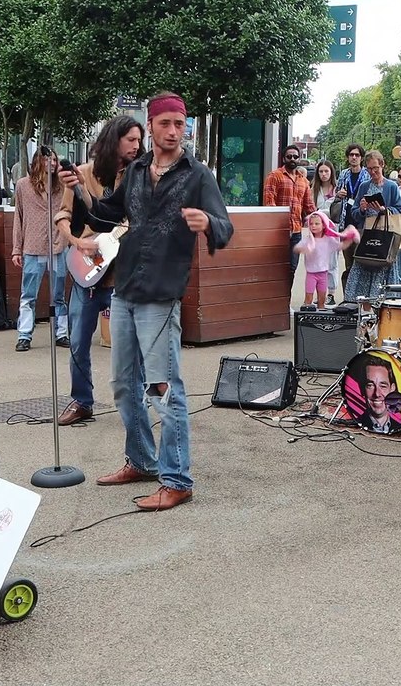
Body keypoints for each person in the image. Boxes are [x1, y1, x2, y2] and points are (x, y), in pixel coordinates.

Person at [65, 91, 234, 512]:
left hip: (161, 295)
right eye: (166, 124)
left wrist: (206, 221)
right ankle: (141, 460)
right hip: (124, 291)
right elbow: (107, 215)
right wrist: (79, 196)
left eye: (180, 124)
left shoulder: (198, 176)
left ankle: (177, 479)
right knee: (123, 386)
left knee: (163, 388)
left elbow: (225, 228)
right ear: (153, 125)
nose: (174, 131)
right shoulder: (137, 170)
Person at [53, 115, 145, 427]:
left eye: (138, 140)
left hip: (124, 274)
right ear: (113, 140)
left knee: (129, 342)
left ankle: (136, 401)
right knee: (78, 340)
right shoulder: (84, 174)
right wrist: (77, 241)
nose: (136, 146)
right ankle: (81, 401)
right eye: (130, 139)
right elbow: (63, 214)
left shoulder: (140, 175)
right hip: (88, 271)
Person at [11, 148, 70, 352]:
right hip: (33, 246)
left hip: (58, 245)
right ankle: (24, 335)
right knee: (28, 294)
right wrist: (16, 249)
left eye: (54, 159)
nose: (52, 163)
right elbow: (18, 218)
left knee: (59, 294)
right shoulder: (23, 186)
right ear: (38, 161)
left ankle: (61, 333)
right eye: (47, 159)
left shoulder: (62, 186)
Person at [343, 150, 401, 303]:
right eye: (369, 169)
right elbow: (355, 213)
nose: (373, 172)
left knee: (384, 273)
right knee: (361, 272)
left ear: (382, 165)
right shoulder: (364, 186)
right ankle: (363, 309)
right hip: (368, 236)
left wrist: (384, 210)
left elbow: (399, 209)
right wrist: (362, 208)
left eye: (375, 168)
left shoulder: (391, 186)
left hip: (385, 237)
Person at [263, 143, 315, 291]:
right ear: (284, 158)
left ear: (299, 159)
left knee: (292, 268)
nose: (292, 159)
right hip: (279, 231)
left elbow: (309, 206)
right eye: (289, 156)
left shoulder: (303, 181)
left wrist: (320, 221)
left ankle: (286, 300)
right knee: (277, 268)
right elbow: (269, 203)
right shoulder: (275, 176)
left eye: (295, 157)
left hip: (296, 231)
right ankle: (275, 300)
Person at [294, 211, 357, 310]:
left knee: (322, 299)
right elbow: (297, 248)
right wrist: (304, 249)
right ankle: (306, 316)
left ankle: (320, 318)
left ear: (324, 225)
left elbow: (340, 246)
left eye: (317, 223)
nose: (313, 226)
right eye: (311, 224)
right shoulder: (308, 240)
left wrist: (350, 239)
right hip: (311, 274)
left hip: (323, 274)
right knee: (308, 298)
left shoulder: (328, 239)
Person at [335, 144, 369, 292]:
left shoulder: (367, 175)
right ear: (348, 157)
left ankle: (359, 297)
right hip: (346, 223)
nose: (354, 157)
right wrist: (339, 194)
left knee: (360, 263)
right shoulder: (344, 174)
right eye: (351, 155)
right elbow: (337, 192)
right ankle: (347, 296)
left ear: (361, 158)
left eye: (357, 155)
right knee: (348, 264)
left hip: (361, 225)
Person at [311, 159, 341, 304]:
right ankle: (320, 293)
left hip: (332, 230)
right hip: (317, 232)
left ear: (331, 172)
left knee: (332, 263)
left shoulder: (337, 189)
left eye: (326, 171)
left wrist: (319, 213)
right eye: (321, 171)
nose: (323, 174)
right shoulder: (314, 190)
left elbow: (335, 212)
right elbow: (310, 209)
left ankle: (331, 294)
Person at [356, 357, 398, 433]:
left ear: (392, 389)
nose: (377, 394)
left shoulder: (399, 427)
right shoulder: (356, 424)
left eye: (383, 386)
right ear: (362, 389)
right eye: (370, 385)